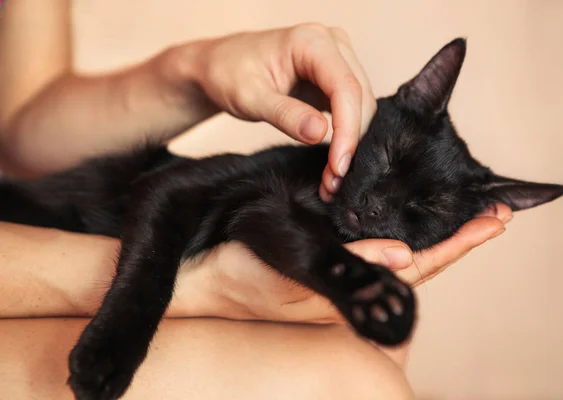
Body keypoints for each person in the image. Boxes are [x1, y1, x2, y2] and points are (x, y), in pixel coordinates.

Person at [0, 0, 511, 398]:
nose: (378, 207)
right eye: (386, 166)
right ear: (396, 107)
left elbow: (18, 123)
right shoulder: (299, 170)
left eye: (416, 214)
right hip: (37, 220)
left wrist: (197, 71)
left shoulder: (310, 196)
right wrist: (200, 291)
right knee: (352, 381)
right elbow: (172, 195)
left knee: (371, 365)